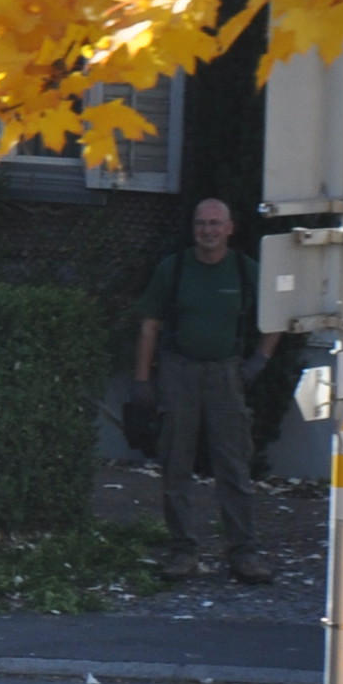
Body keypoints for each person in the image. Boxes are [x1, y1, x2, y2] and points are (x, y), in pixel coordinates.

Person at [136, 196, 275, 582]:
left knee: (233, 466)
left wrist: (260, 359)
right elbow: (150, 325)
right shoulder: (174, 268)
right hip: (178, 372)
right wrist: (142, 380)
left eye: (215, 223)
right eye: (201, 223)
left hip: (226, 375)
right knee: (175, 464)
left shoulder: (245, 270)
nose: (208, 230)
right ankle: (183, 550)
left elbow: (277, 314)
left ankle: (243, 552)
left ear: (230, 228)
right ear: (193, 228)